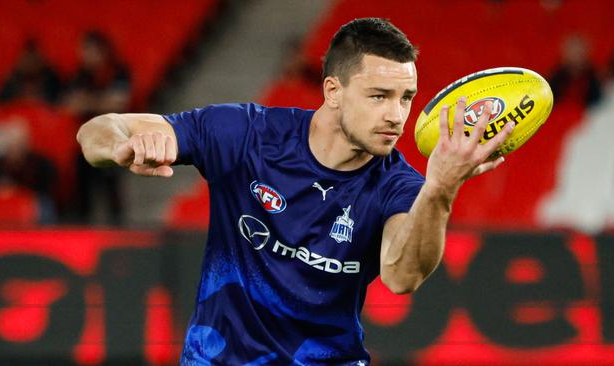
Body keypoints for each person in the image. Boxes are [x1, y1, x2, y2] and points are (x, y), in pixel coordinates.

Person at [77, 18, 513, 365]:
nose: (397, 116)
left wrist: (440, 188)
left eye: (406, 98)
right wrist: (121, 146)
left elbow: (402, 278)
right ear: (333, 91)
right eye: (379, 96)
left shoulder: (399, 185)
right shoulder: (247, 134)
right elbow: (96, 130)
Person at [66, 31, 132, 224]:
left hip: (114, 140)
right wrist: (102, 101)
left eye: (88, 50)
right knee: (83, 194)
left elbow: (118, 103)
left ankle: (118, 233)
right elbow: (70, 105)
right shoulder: (79, 75)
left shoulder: (118, 72)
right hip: (85, 141)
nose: (84, 54)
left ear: (101, 51)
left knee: (112, 194)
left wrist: (87, 102)